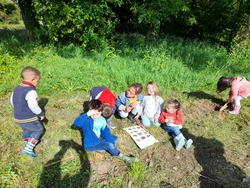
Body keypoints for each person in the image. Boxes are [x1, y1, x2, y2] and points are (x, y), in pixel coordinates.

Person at [74, 99, 139, 163]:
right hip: (91, 143)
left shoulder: (102, 120)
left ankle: (103, 148)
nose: (94, 116)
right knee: (109, 145)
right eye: (92, 114)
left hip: (99, 137)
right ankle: (122, 156)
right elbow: (76, 123)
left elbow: (106, 131)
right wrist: (87, 114)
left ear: (101, 112)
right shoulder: (86, 120)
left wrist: (111, 141)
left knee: (114, 139)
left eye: (96, 114)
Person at [10, 66, 45, 158]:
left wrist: (17, 108)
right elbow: (33, 106)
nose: (37, 83)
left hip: (17, 117)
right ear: (33, 80)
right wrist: (40, 113)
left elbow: (12, 100)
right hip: (28, 117)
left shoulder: (17, 88)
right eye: (38, 80)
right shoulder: (31, 91)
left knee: (27, 129)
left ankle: (27, 141)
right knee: (38, 129)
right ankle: (28, 149)